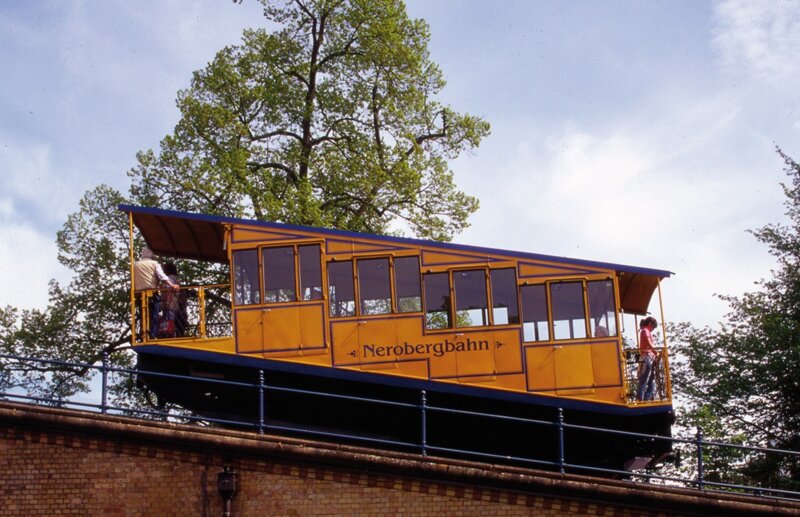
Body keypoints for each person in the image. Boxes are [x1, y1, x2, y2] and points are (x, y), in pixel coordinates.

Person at [134, 248, 179, 338]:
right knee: (154, 314)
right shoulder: (154, 264)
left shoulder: (135, 265)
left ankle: (144, 333)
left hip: (139, 294)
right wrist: (172, 285)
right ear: (151, 255)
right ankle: (152, 334)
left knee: (143, 314)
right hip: (151, 293)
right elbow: (162, 276)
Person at [636, 316, 659, 401]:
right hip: (647, 357)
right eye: (653, 327)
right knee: (644, 381)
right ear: (650, 324)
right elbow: (649, 343)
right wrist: (655, 351)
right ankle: (641, 399)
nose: (653, 329)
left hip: (648, 357)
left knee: (650, 381)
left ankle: (645, 398)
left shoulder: (645, 331)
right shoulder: (645, 330)